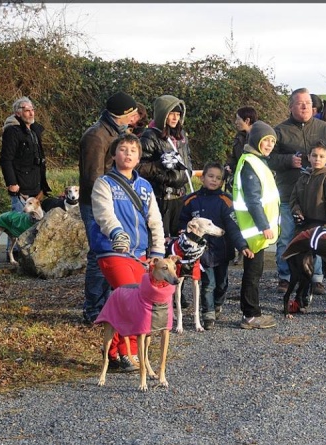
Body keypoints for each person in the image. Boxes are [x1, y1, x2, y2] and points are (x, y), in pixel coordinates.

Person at [269, 87, 326, 295]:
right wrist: (287, 161)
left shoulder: (324, 129)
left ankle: (316, 278)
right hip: (289, 196)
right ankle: (286, 276)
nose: (305, 106)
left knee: (317, 238)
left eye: (308, 103)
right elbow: (267, 158)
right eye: (300, 103)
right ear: (291, 107)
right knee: (288, 237)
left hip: (319, 199)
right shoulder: (279, 131)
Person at [89, 133, 165, 371]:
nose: (128, 153)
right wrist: (116, 233)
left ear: (139, 156)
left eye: (133, 150)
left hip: (140, 255)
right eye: (123, 149)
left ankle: (111, 351)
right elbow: (104, 214)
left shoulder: (145, 186)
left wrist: (158, 251)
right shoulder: (104, 183)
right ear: (114, 155)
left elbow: (155, 220)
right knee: (132, 301)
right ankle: (128, 353)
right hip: (113, 251)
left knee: (137, 301)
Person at [79, 91, 138, 324]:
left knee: (112, 253)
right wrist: (107, 203)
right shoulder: (96, 136)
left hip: (113, 201)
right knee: (98, 255)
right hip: (97, 204)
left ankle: (106, 305)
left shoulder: (114, 133)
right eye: (132, 112)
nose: (134, 116)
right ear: (121, 114)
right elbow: (93, 177)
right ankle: (93, 309)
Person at [179, 162, 254, 330]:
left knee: (221, 283)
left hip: (222, 249)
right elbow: (183, 222)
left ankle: (218, 303)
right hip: (200, 252)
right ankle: (208, 314)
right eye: (210, 176)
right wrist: (182, 233)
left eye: (218, 178)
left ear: (222, 182)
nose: (214, 180)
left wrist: (241, 245)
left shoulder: (225, 200)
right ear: (203, 177)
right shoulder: (191, 200)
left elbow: (233, 226)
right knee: (207, 283)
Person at [233, 121, 280, 330]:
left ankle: (251, 311)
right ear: (256, 141)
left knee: (254, 273)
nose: (269, 144)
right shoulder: (251, 163)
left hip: (256, 231)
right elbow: (253, 200)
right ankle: (251, 314)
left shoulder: (257, 161)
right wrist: (263, 226)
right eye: (265, 140)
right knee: (252, 274)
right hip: (253, 231)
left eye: (272, 141)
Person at [289, 139, 326, 314]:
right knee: (303, 265)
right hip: (305, 227)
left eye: (321, 156)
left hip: (325, 226)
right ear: (309, 157)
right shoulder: (303, 177)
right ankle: (301, 300)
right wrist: (297, 211)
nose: (317, 159)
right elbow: (294, 199)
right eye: (314, 155)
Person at [0, 96, 52, 258]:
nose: (31, 113)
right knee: (18, 220)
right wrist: (12, 182)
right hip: (20, 183)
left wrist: (43, 185)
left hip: (35, 182)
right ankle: (14, 253)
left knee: (34, 220)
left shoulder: (33, 130)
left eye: (32, 109)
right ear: (18, 113)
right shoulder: (12, 131)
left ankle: (29, 252)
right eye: (26, 110)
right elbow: (5, 159)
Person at [138, 95, 193, 239]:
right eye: (172, 114)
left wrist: (190, 171)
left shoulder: (181, 135)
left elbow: (188, 158)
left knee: (180, 241)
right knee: (161, 240)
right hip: (162, 197)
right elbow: (139, 168)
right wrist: (160, 166)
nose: (175, 118)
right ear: (163, 114)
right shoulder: (149, 136)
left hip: (181, 196)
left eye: (178, 114)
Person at [224, 106, 258, 193]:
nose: (235, 122)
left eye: (237, 119)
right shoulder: (238, 137)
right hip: (239, 182)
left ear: (247, 120)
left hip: (254, 183)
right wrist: (228, 166)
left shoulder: (259, 139)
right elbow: (234, 157)